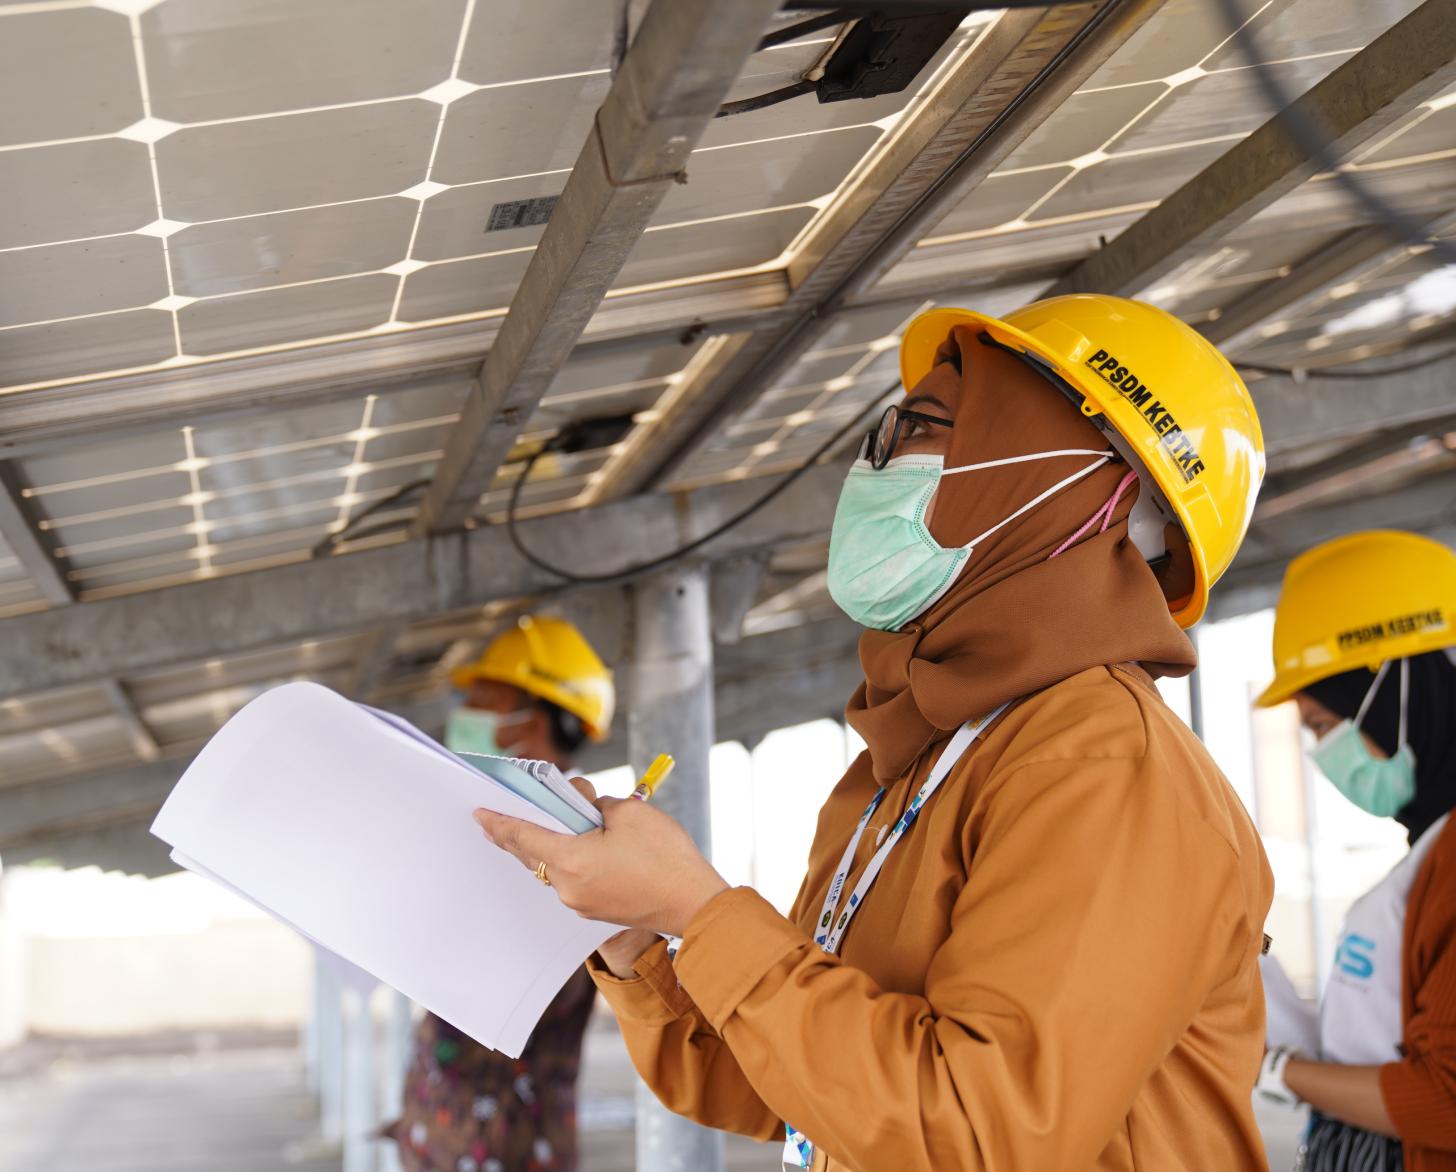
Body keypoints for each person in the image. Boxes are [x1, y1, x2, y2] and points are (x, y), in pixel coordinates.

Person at [477, 295, 1272, 1170]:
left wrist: (696, 910)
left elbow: (978, 1134)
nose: (874, 466)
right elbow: (793, 1088)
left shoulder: (1104, 766)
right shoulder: (919, 755)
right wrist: (635, 934)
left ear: (1065, 486)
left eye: (917, 431)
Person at [1253, 530, 1456, 1171]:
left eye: (1321, 726)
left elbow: (1445, 1100)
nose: (1323, 757)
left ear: (1400, 694)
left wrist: (1277, 1069)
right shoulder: (1429, 849)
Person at [386, 615, 614, 1172]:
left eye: (484, 702)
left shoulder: (574, 850)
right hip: (447, 1138)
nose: (464, 720)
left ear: (535, 723)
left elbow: (524, 991)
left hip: (508, 1149)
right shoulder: (503, 832)